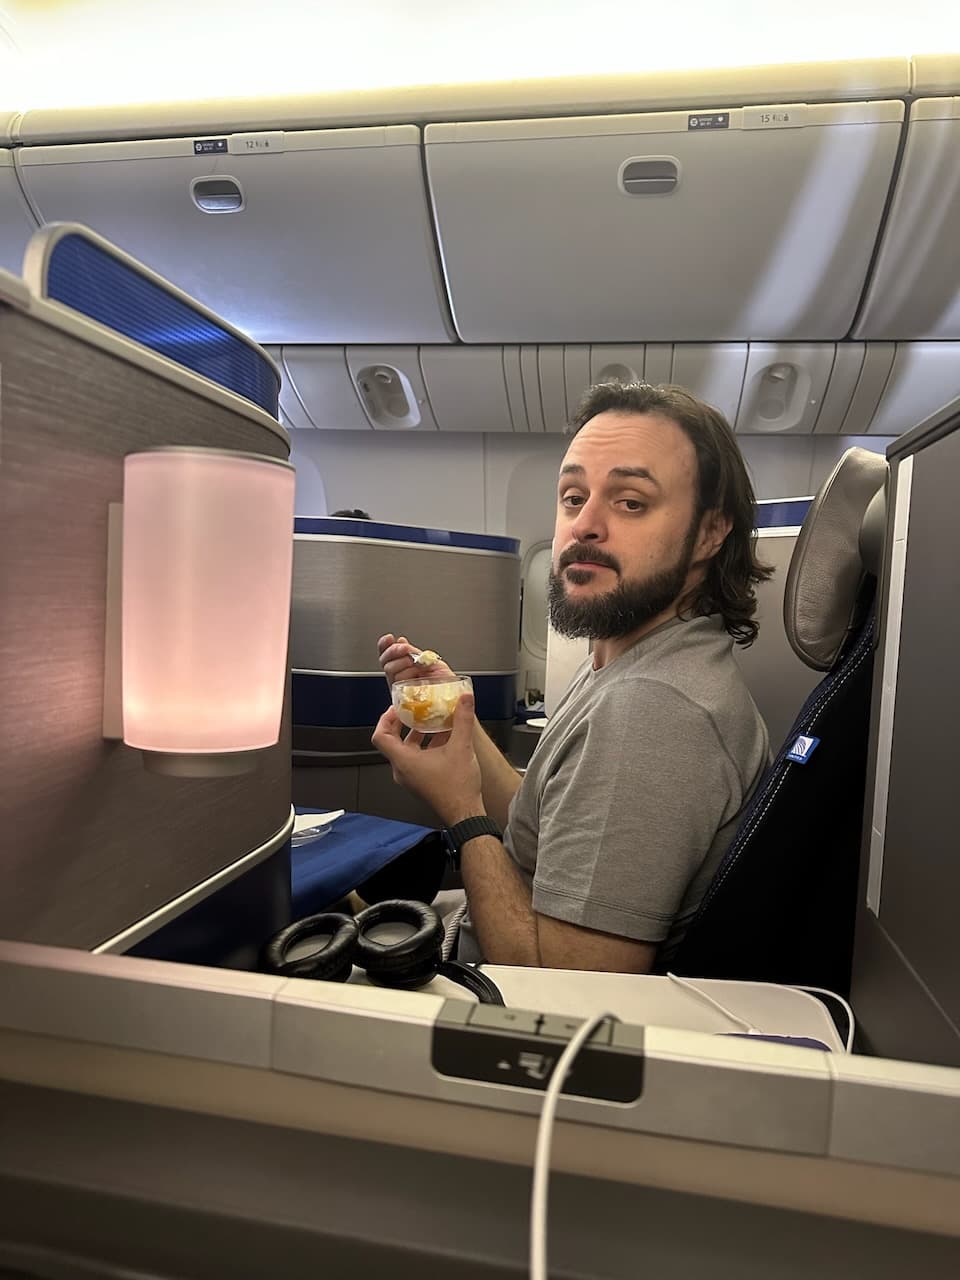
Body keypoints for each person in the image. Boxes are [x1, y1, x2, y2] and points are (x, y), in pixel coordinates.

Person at [373, 382, 772, 973]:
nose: (585, 524)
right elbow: (537, 827)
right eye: (572, 496)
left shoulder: (653, 709)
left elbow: (566, 988)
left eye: (630, 502)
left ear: (711, 534)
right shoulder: (636, 659)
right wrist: (460, 717)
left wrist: (459, 811)